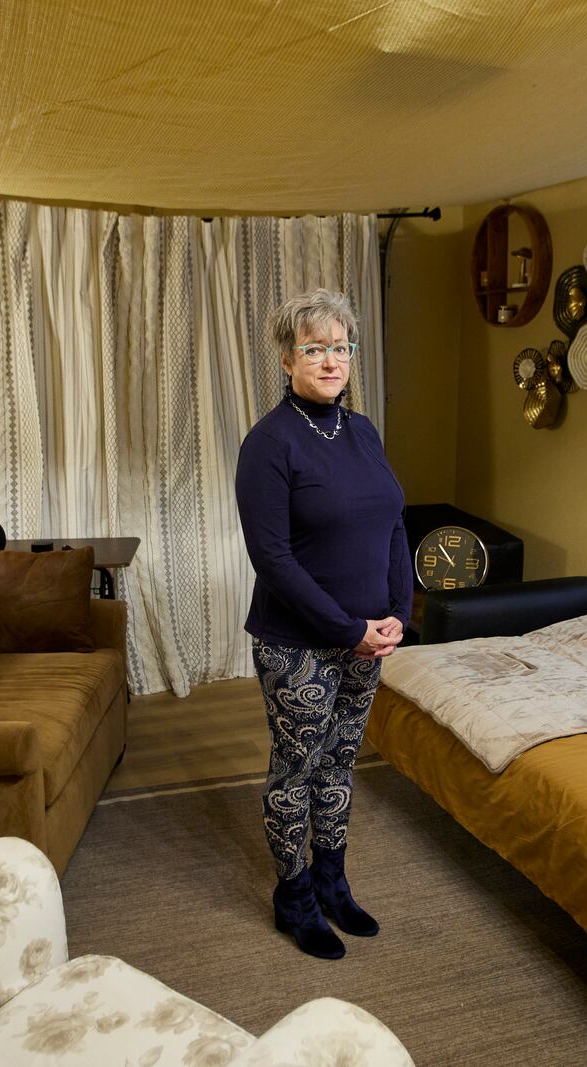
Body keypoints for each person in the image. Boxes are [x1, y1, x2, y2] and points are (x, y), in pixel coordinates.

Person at [234, 288, 411, 960]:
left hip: (367, 636)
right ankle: (294, 895)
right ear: (287, 357)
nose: (332, 359)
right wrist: (347, 626)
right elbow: (272, 558)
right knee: (297, 767)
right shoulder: (269, 443)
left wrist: (399, 612)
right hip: (297, 642)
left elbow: (394, 520)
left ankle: (334, 881)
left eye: (341, 347)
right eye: (316, 348)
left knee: (341, 762)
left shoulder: (362, 430)